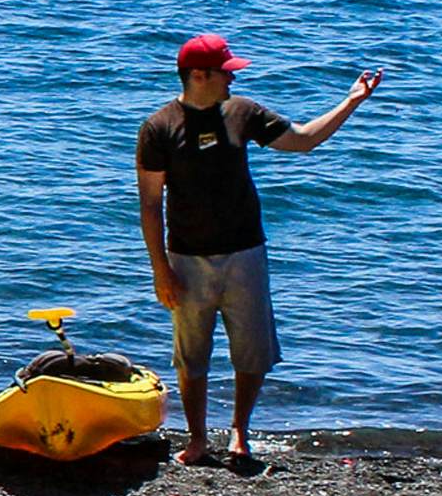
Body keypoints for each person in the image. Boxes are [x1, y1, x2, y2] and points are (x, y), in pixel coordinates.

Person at [132, 35, 379, 466]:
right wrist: (160, 270)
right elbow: (151, 204)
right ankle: (197, 439)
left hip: (246, 252)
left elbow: (302, 140)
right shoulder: (159, 128)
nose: (232, 78)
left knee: (252, 350)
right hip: (187, 258)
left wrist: (351, 101)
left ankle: (240, 433)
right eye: (226, 71)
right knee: (191, 355)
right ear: (198, 76)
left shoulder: (242, 112)